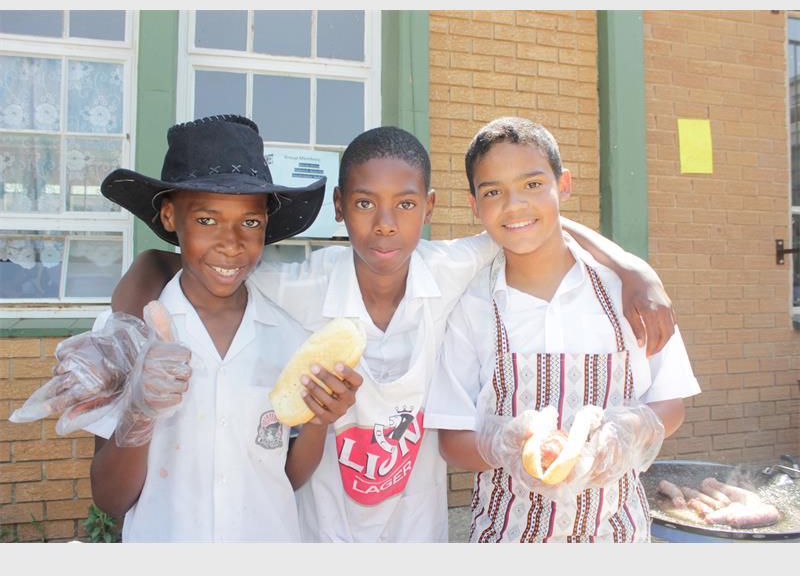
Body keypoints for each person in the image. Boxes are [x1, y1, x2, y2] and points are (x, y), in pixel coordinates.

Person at [90, 126, 675, 542]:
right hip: (319, 531)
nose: (386, 224)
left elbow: (528, 219)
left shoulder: (448, 268)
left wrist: (633, 270)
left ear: (431, 207)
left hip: (416, 531)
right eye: (366, 203)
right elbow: (192, 261)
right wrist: (127, 325)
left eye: (406, 204)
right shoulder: (298, 286)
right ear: (340, 207)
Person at [81, 115, 362, 542]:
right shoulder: (126, 336)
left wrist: (319, 420)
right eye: (207, 221)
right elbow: (110, 498)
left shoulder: (289, 337)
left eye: (250, 222)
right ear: (170, 215)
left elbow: (286, 476)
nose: (231, 243)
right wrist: (140, 409)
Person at [426, 117, 700, 543]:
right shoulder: (471, 306)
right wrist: (503, 446)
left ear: (564, 184)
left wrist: (631, 431)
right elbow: (452, 439)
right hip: (505, 540)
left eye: (533, 184)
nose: (514, 205)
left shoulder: (629, 295)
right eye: (493, 192)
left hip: (619, 539)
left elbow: (671, 402)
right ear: (475, 206)